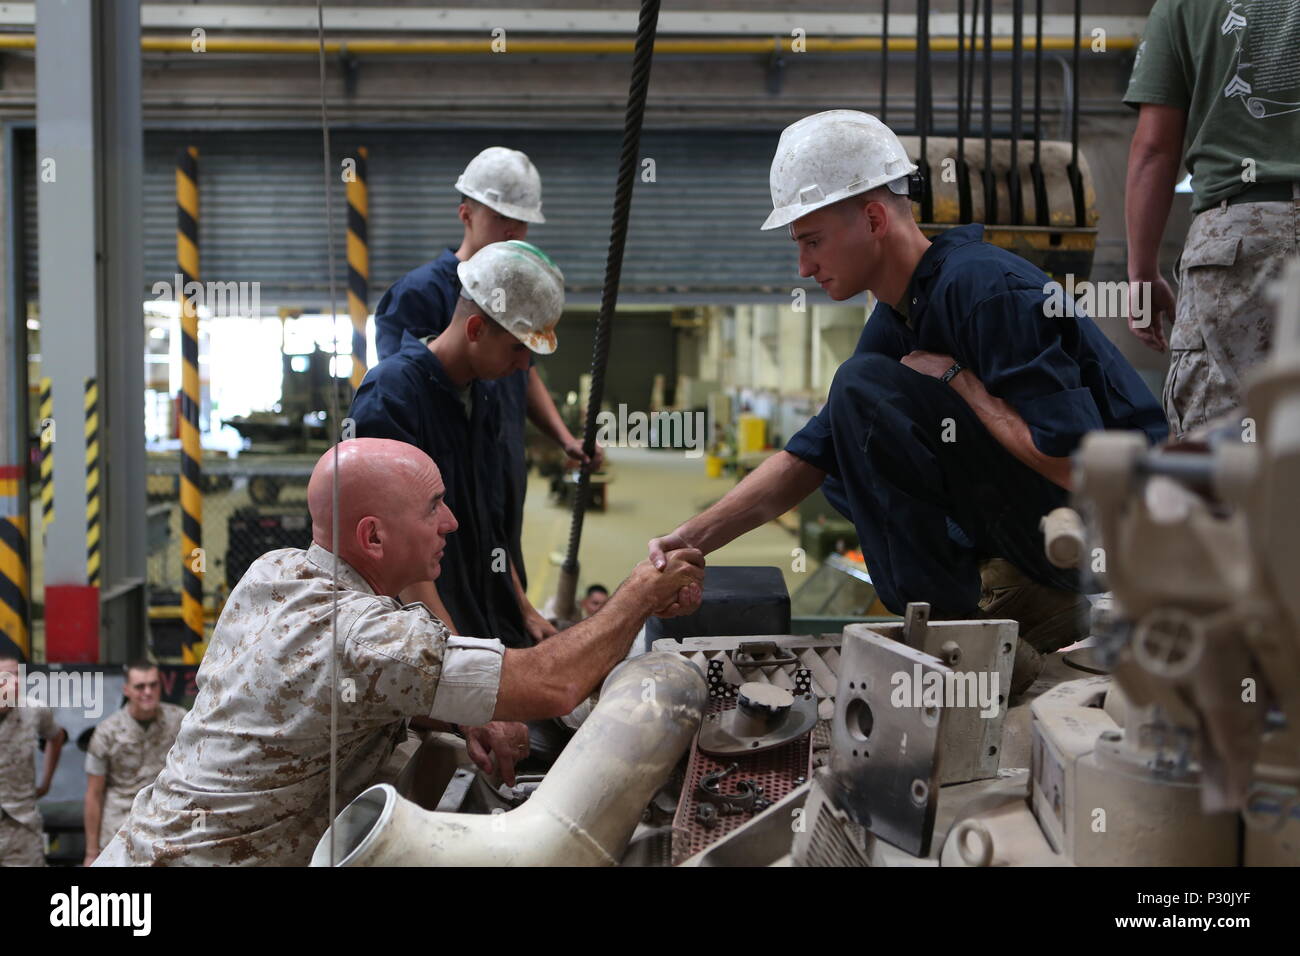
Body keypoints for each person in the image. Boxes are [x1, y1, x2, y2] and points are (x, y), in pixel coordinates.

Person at [649, 110, 1168, 694]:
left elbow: (1077, 463)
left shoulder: (983, 289)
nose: (804, 266)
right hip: (1042, 531)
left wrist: (962, 384)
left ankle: (966, 638)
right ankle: (981, 608)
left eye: (812, 242)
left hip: (1108, 533)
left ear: (873, 217)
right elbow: (807, 458)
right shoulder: (902, 314)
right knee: (844, 447)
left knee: (860, 394)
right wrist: (690, 539)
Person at [94, 438, 702, 866]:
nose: (453, 523)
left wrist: (462, 711)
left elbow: (318, 698)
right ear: (373, 536)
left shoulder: (274, 571)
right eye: (434, 506)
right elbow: (553, 685)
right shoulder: (366, 640)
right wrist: (639, 595)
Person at [373, 147, 602, 625]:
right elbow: (407, 414)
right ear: (467, 214)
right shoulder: (418, 304)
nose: (512, 233)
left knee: (491, 557)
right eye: (501, 218)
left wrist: (563, 438)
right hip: (441, 496)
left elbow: (528, 373)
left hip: (492, 481)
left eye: (521, 223)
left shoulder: (492, 382)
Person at [352, 240, 565, 649]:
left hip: (478, 617)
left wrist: (522, 608)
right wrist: (459, 667)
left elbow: (491, 524)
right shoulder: (392, 398)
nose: (524, 366)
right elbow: (399, 562)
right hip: (420, 640)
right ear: (474, 329)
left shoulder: (482, 395)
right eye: (518, 348)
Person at [1123, 0, 1300, 438]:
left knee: (1216, 444)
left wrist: (1143, 274)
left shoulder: (1183, 5)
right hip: (1238, 237)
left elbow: (1154, 150)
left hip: (1238, 237)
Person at [83, 660, 185, 865]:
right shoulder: (107, 732)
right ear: (127, 690)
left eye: (153, 685)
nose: (147, 692)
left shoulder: (180, 721)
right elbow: (94, 793)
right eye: (140, 686)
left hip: (165, 826)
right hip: (119, 827)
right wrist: (91, 852)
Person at [0, 656, 67, 866]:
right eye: (7, 676)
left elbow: (56, 737)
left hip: (21, 826)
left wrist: (45, 783)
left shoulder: (33, 710)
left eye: (18, 675)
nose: (17, 682)